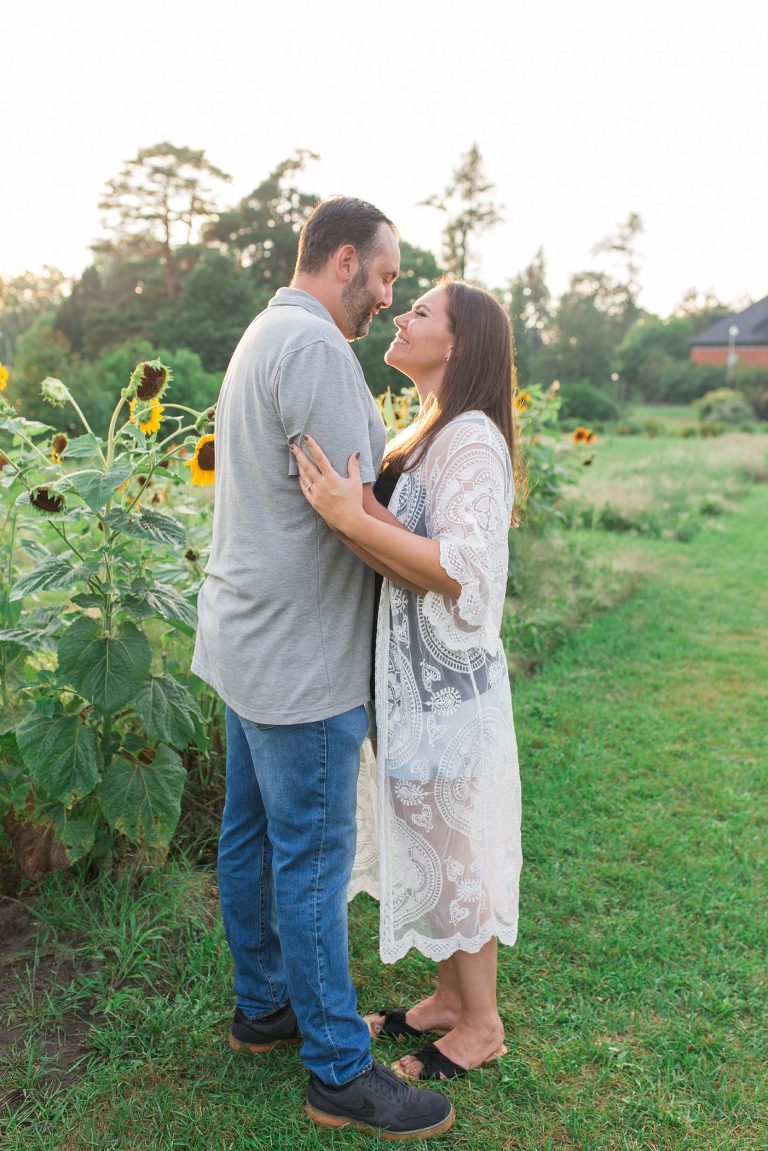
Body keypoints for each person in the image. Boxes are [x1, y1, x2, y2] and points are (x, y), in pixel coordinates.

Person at [192, 197, 454, 1139]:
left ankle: (264, 1005)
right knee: (310, 859)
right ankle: (339, 1068)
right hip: (300, 658)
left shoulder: (267, 332)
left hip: (249, 638)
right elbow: (360, 508)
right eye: (384, 278)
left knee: (253, 834)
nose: (387, 298)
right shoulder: (315, 350)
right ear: (344, 260)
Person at [292, 277, 522, 1082]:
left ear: (457, 344)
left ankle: (482, 1023)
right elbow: (399, 542)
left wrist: (352, 516)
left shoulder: (473, 441)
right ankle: (446, 1001)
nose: (399, 313)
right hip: (409, 678)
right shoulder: (429, 426)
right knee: (427, 830)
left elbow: (462, 566)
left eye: (420, 310)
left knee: (455, 842)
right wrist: (348, 514)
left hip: (448, 679)